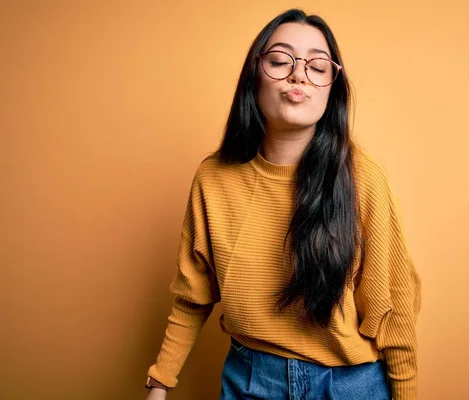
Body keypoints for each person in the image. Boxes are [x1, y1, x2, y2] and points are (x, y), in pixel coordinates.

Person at [145, 8, 421, 400]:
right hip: (251, 380)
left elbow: (394, 306)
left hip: (349, 386)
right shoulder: (213, 178)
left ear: (332, 88)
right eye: (280, 60)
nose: (298, 75)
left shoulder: (364, 177)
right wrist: (159, 383)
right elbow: (193, 295)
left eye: (317, 66)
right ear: (254, 76)